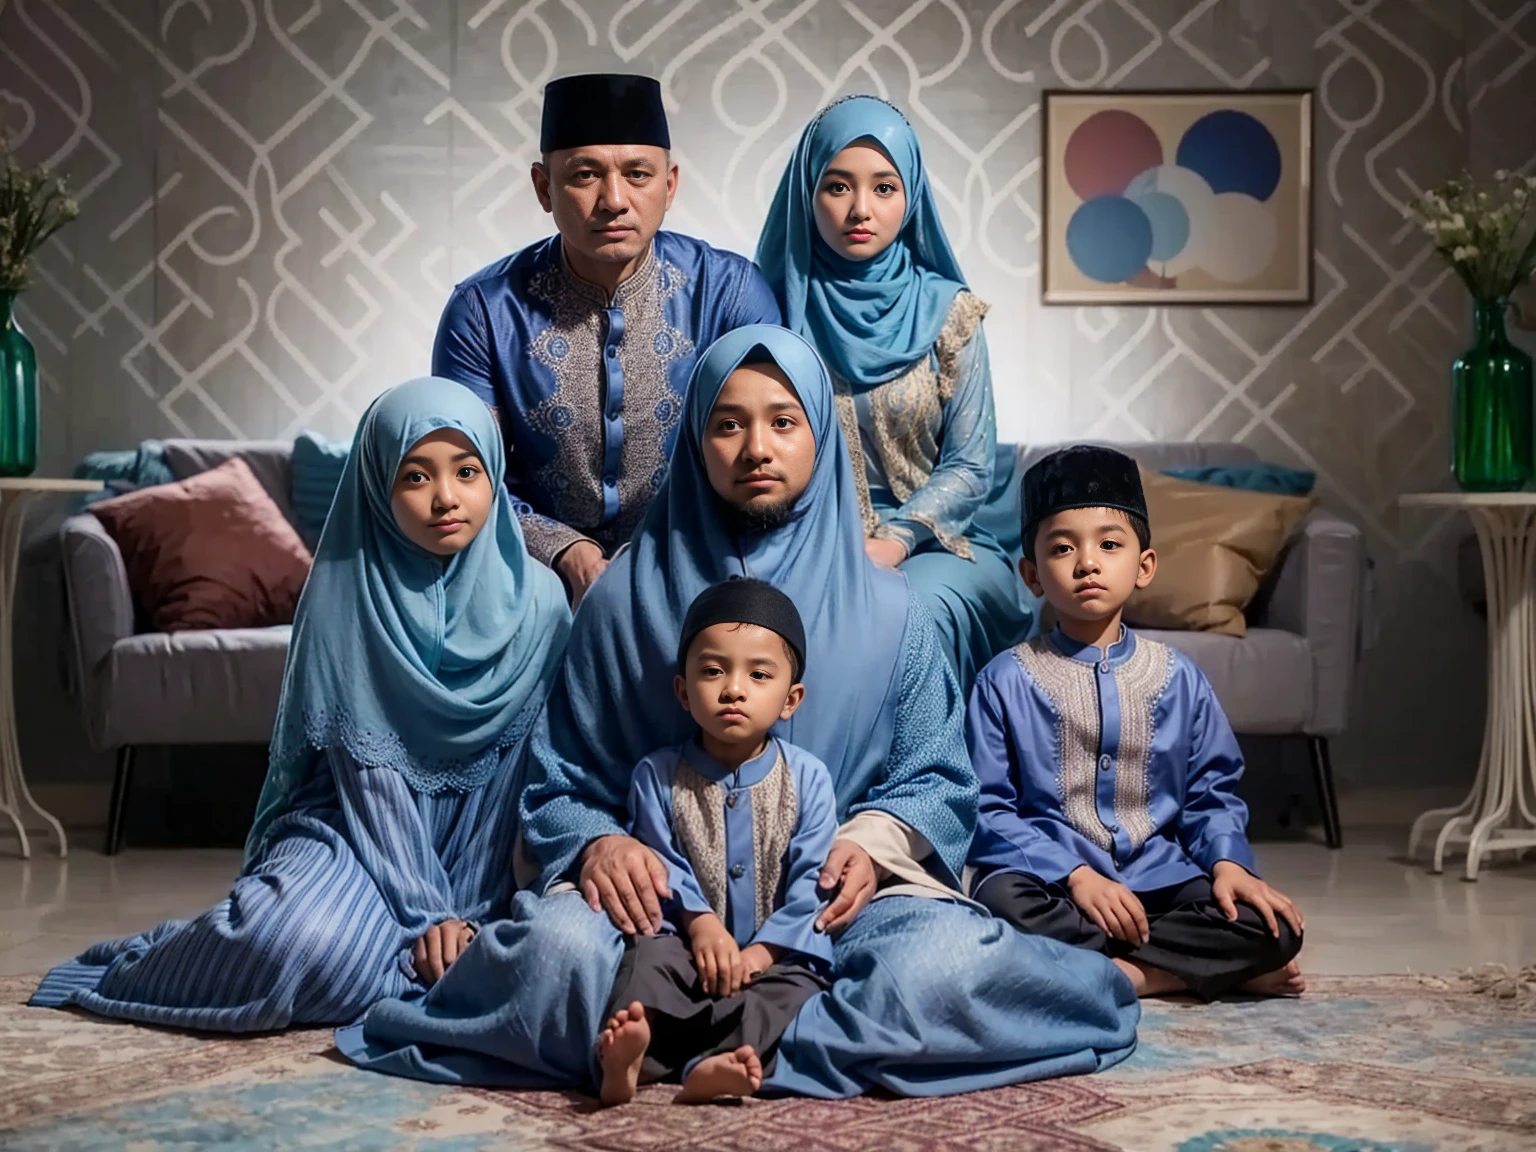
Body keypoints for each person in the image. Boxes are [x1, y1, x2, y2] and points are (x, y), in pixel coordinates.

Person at [336, 325, 1138, 1098]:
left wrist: (867, 846)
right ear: (694, 441)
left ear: (821, 436)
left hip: (827, 907)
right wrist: (603, 843)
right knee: (553, 958)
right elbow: (560, 783)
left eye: (783, 422)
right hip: (653, 910)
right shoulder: (619, 600)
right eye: (728, 424)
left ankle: (675, 1043)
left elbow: (936, 778)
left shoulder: (895, 610)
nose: (756, 448)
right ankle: (787, 1036)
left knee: (940, 970)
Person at [29, 380, 570, 1030]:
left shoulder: (541, 603)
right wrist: (429, 916)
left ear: (493, 474)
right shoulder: (345, 589)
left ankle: (414, 957)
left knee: (536, 959)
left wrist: (474, 914)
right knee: (288, 945)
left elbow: (520, 772)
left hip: (485, 858)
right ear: (377, 485)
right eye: (416, 476)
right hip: (356, 836)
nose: (446, 498)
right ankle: (154, 963)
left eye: (467, 471)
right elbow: (370, 780)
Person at [967, 445, 1306, 1000]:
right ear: (1031, 574)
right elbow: (987, 809)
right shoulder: (1005, 681)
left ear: (1143, 565)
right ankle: (1191, 971)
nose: (1088, 563)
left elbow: (1210, 797)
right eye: (1061, 548)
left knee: (1273, 926)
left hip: (1160, 879)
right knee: (1001, 904)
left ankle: (1124, 976)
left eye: (1109, 544)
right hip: (1056, 887)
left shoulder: (1180, 679)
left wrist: (1227, 863)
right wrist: (1076, 875)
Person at [433, 73, 782, 606]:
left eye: (638, 174)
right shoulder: (482, 311)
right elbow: (460, 475)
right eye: (585, 175)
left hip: (697, 563)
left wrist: (663, 552)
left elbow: (762, 454)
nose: (614, 200)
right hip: (527, 578)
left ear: (670, 185)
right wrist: (561, 549)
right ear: (543, 187)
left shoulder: (730, 293)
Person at [756, 95, 1032, 691]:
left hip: (935, 544)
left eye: (884, 188)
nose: (861, 209)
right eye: (837, 186)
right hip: (803, 540)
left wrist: (896, 540)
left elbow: (970, 465)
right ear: (806, 192)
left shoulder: (949, 315)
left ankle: (927, 780)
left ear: (911, 198)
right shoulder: (768, 310)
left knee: (914, 611)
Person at [598, 578, 835, 1106]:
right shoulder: (656, 775)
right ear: (682, 692)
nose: (733, 689)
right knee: (644, 964)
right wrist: (700, 926)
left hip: (775, 955)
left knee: (794, 993)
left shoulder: (809, 779)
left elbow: (812, 881)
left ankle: (713, 1066)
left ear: (791, 699)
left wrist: (761, 953)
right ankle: (627, 1059)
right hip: (685, 946)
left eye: (758, 674)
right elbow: (660, 864)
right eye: (712, 671)